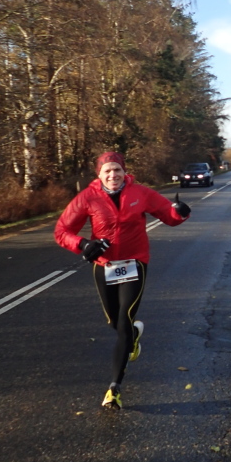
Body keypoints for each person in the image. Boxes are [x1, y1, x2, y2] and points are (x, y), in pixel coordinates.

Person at [54, 151, 191, 410]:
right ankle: (133, 336)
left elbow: (169, 215)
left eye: (117, 170)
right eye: (107, 171)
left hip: (134, 263)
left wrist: (181, 212)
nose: (113, 175)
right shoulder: (87, 198)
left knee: (125, 318)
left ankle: (114, 388)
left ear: (124, 172)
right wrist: (84, 244)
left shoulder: (140, 193)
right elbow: (62, 231)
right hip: (104, 266)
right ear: (99, 174)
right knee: (114, 322)